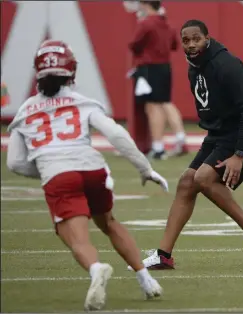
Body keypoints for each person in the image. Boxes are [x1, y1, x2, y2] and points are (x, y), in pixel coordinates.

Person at [6, 40, 168, 310]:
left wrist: (48, 167)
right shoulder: (83, 102)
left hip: (59, 176)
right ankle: (146, 279)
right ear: (71, 71)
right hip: (93, 169)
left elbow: (15, 163)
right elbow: (116, 134)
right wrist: (145, 168)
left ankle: (96, 269)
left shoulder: (25, 111)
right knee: (109, 223)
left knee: (72, 235)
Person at [128, 20, 243, 271]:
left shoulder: (226, 64)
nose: (192, 44)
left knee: (204, 178)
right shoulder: (194, 67)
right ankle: (163, 255)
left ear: (207, 37)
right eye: (186, 40)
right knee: (187, 182)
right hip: (221, 132)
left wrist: (239, 154)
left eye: (197, 38)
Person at [129, 0, 188, 159]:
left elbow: (134, 45)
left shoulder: (146, 23)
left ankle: (158, 146)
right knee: (166, 102)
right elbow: (175, 45)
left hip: (149, 68)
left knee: (152, 106)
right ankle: (180, 137)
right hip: (165, 67)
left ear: (146, 5)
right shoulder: (167, 23)